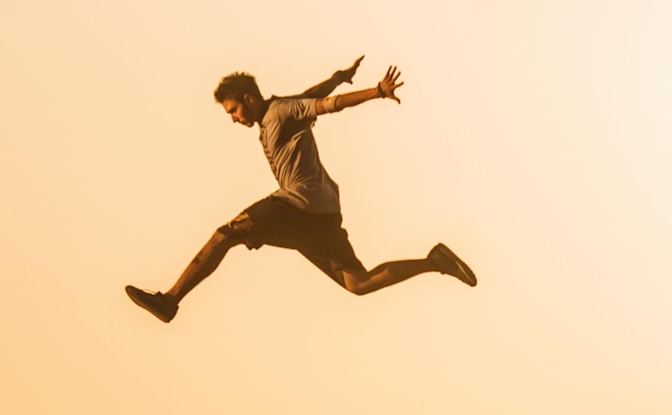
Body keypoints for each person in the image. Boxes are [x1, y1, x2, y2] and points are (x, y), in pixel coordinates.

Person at [125, 57, 476, 324]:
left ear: (248, 99)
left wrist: (376, 92)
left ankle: (169, 301)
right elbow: (310, 97)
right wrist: (337, 77)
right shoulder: (279, 112)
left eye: (233, 110)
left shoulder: (280, 111)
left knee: (222, 236)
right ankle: (434, 262)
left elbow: (328, 105)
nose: (233, 119)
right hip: (323, 213)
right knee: (359, 283)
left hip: (297, 204)